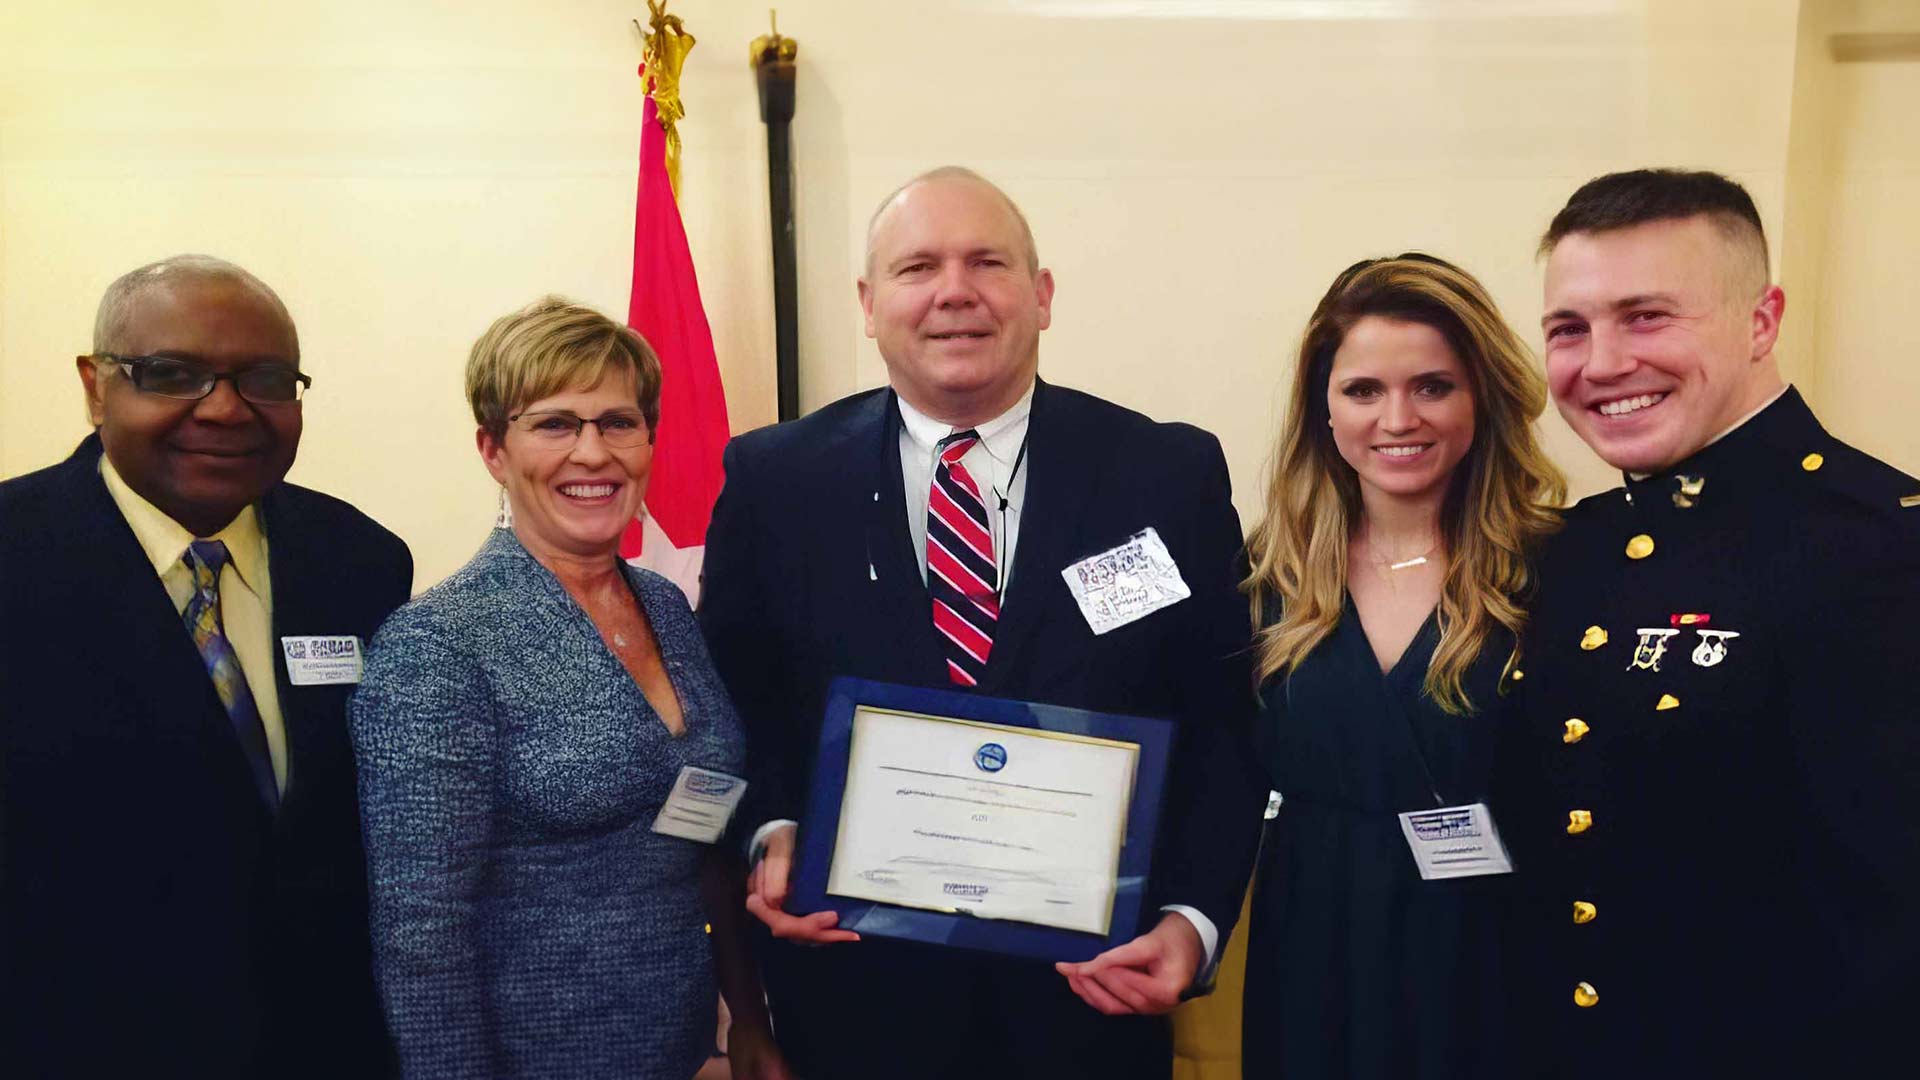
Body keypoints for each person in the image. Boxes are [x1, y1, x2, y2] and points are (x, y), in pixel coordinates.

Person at [699, 166, 1266, 1080]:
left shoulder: (1165, 474)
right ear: (869, 302)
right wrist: (771, 832)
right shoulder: (775, 482)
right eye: (917, 267)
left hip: (1089, 1007)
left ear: (1041, 297)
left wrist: (1191, 923)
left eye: (987, 263)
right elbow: (736, 710)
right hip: (857, 1007)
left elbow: (1224, 724)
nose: (954, 292)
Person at [1502, 168, 1920, 1076]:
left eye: (1647, 316)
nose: (1602, 362)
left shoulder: (1884, 547)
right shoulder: (1569, 552)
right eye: (1568, 328)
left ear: (1762, 322)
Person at [349, 297, 785, 1080]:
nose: (594, 453)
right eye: (555, 424)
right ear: (494, 450)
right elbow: (421, 932)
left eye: (619, 422)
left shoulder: (665, 608)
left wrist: (746, 1017)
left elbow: (701, 834)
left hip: (680, 1046)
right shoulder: (438, 646)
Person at [0, 255, 413, 1077]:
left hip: (328, 1046)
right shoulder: (15, 557)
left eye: (263, 378)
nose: (225, 409)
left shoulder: (361, 562)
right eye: (173, 374)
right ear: (95, 384)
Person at [1238, 255, 1565, 1079]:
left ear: (1481, 396)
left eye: (1432, 386)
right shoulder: (1261, 577)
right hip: (1311, 947)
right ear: (1323, 407)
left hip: (1491, 955)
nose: (1397, 419)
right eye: (1363, 391)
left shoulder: (1560, 571)